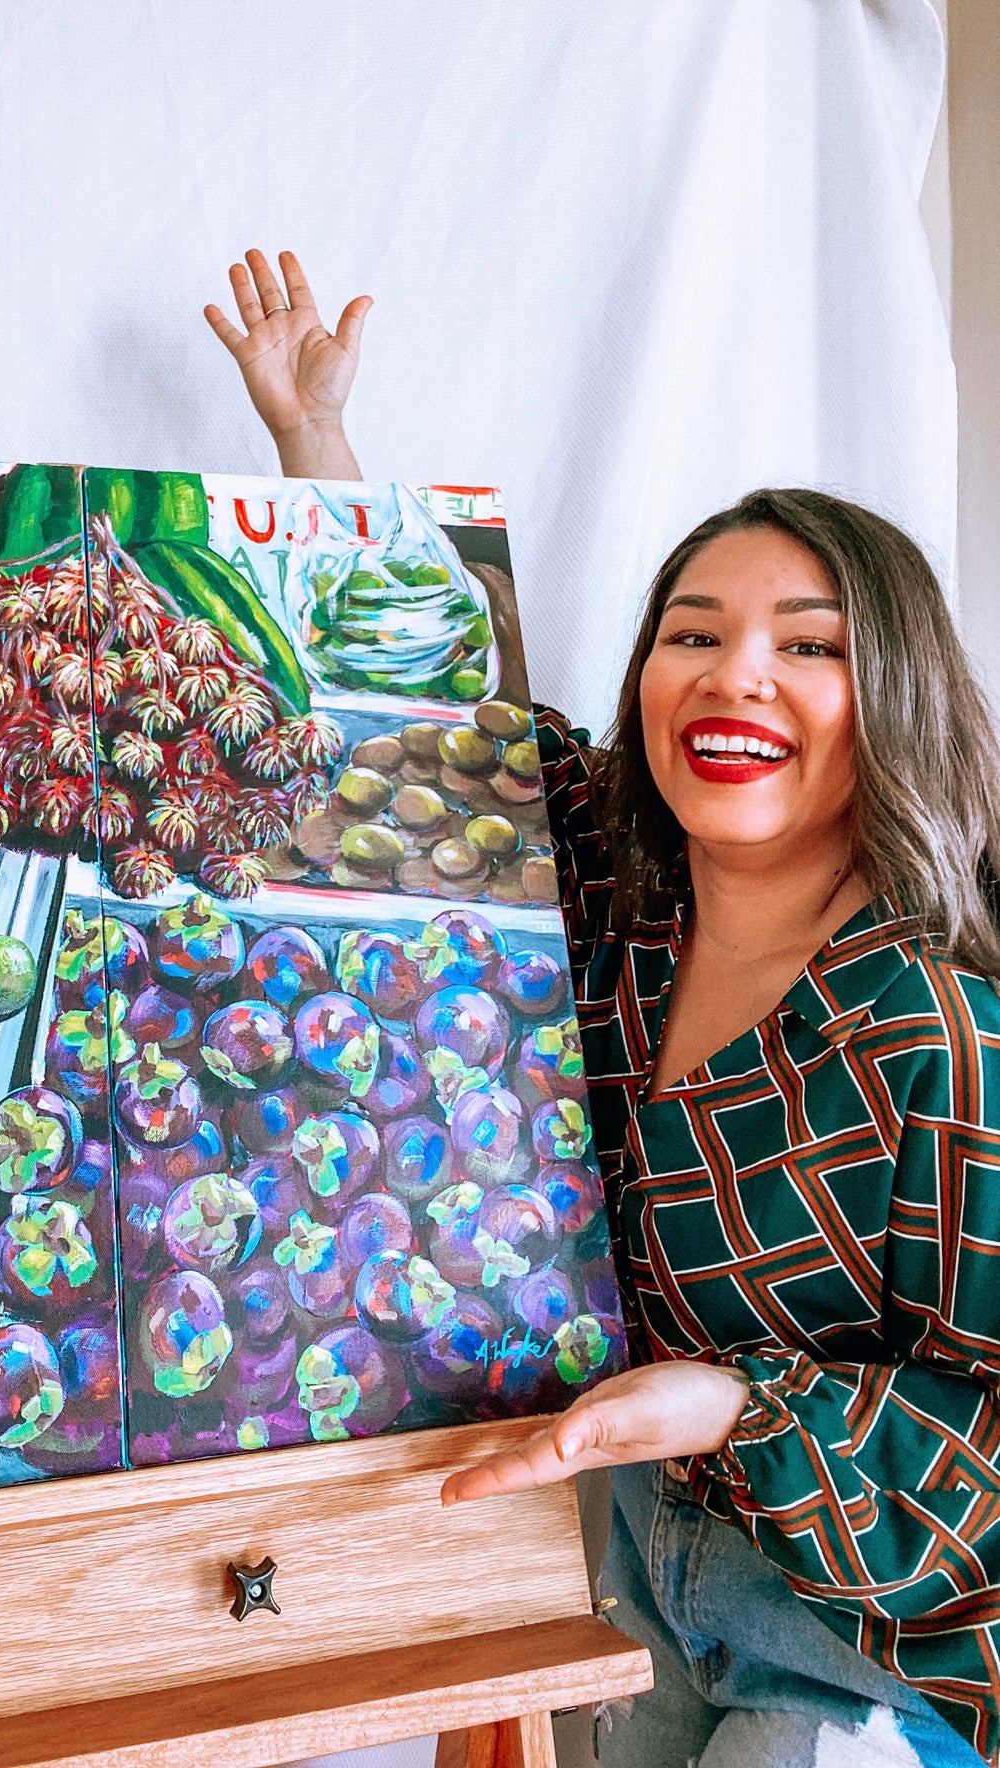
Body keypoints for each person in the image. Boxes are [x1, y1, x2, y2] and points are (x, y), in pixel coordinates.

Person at [206, 251, 1000, 1768]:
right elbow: (449, 744)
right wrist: (315, 451)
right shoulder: (614, 903)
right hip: (621, 1580)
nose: (732, 675)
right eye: (692, 633)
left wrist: (744, 1407)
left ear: (892, 690)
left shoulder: (940, 1029)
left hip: (858, 1647)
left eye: (807, 644)